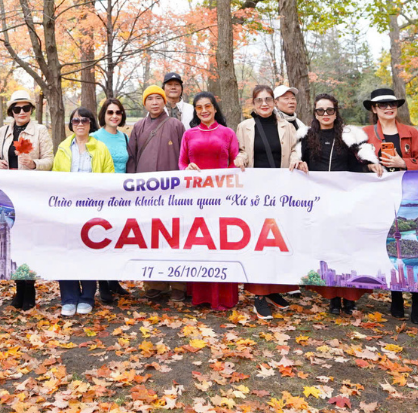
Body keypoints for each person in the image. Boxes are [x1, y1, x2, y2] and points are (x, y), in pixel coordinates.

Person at [299, 93, 382, 315]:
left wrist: (372, 163)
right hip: (318, 201)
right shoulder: (306, 136)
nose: (325, 115)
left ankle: (350, 296)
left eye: (330, 110)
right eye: (320, 111)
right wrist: (296, 163)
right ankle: (333, 297)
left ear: (336, 111)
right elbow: (297, 158)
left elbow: (364, 151)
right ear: (315, 113)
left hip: (346, 200)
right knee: (327, 248)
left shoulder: (349, 134)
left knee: (347, 247)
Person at [363, 87, 418, 325]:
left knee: (412, 245)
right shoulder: (365, 134)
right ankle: (395, 295)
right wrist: (368, 166)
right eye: (382, 105)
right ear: (374, 109)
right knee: (390, 246)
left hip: (409, 197)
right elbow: (353, 162)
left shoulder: (411, 133)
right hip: (378, 199)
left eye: (392, 104)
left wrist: (403, 162)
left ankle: (417, 298)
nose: (388, 108)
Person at [235, 85, 306, 319]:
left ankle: (274, 289)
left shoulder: (287, 126)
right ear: (253, 104)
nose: (263, 104)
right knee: (259, 241)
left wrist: (296, 161)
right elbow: (243, 151)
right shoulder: (245, 127)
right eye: (259, 100)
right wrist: (240, 159)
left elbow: (295, 150)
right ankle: (258, 295)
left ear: (274, 102)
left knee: (278, 240)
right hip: (256, 193)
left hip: (282, 191)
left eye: (268, 99)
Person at [179, 92, 241, 312]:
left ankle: (223, 296)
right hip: (196, 198)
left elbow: (235, 163)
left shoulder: (228, 133)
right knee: (200, 242)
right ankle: (199, 295)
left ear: (215, 108)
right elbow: (182, 163)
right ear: (195, 111)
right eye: (199, 107)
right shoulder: (189, 134)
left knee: (221, 243)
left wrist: (223, 178)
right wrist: (188, 169)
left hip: (222, 197)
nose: (204, 110)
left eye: (208, 106)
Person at [0, 89, 55, 311]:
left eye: (25, 108)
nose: (21, 112)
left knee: (29, 240)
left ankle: (30, 291)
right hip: (9, 192)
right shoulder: (3, 131)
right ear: (11, 111)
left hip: (30, 192)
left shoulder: (39, 131)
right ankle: (19, 289)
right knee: (13, 240)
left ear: (31, 110)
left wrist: (35, 164)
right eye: (17, 108)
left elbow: (50, 159)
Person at [51, 107, 114, 316]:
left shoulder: (101, 148)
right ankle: (68, 298)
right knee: (66, 251)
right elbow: (55, 177)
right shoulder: (62, 148)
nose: (80, 124)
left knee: (88, 251)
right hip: (67, 209)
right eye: (76, 120)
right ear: (71, 124)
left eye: (84, 120)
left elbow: (109, 177)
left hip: (92, 209)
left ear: (90, 124)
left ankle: (87, 296)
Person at [128, 85, 188, 305]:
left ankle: (179, 285)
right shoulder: (138, 127)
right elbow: (132, 159)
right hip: (145, 195)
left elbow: (185, 158)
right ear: (144, 103)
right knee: (150, 237)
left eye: (158, 98)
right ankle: (154, 284)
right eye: (150, 99)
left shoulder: (176, 125)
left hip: (173, 193)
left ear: (164, 101)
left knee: (175, 237)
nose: (154, 102)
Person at [91, 98, 133, 304]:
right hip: (101, 195)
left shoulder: (125, 138)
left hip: (122, 196)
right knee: (102, 238)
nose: (114, 116)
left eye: (118, 112)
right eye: (110, 112)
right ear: (103, 115)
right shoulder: (94, 138)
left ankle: (114, 280)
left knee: (117, 239)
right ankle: (103, 284)